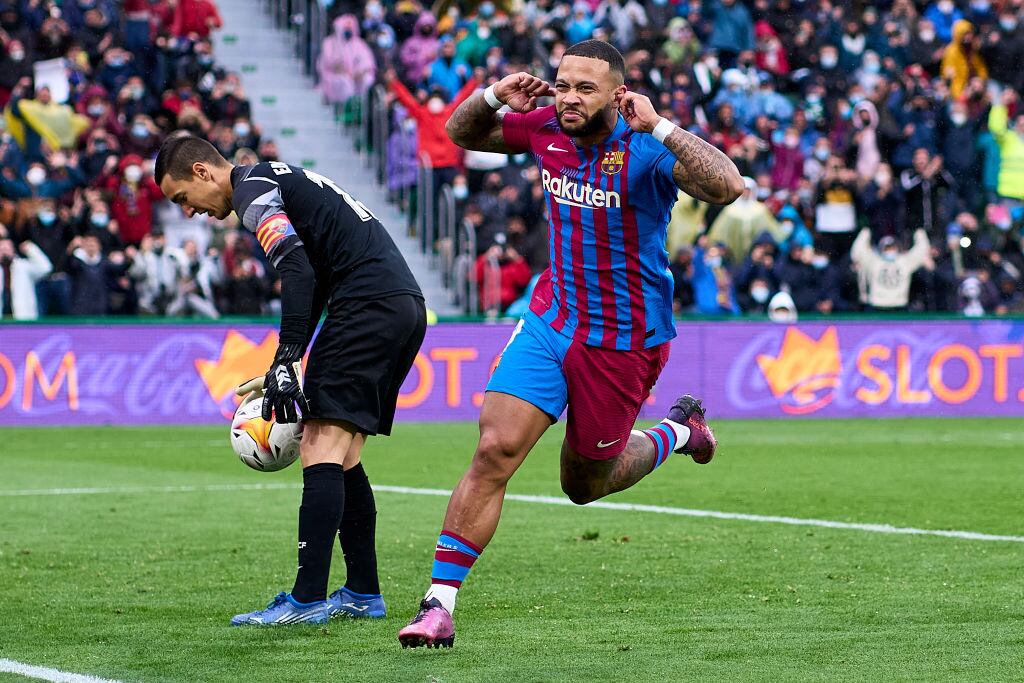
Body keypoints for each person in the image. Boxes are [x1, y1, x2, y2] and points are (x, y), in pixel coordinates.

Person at [397, 39, 743, 649]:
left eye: (586, 88)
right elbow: (460, 133)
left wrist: (660, 125)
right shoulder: (546, 129)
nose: (570, 99)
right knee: (494, 449)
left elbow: (727, 186)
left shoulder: (645, 147)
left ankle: (677, 432)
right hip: (551, 321)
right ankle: (438, 605)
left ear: (618, 93)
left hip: (623, 342)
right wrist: (493, 95)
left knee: (583, 485)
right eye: (563, 85)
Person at [154, 135, 426, 626]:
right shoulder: (275, 177)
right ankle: (363, 592)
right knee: (343, 453)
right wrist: (290, 358)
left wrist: (285, 357)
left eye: (182, 199)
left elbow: (295, 267)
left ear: (202, 172)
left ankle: (306, 600)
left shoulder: (251, 191)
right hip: (400, 305)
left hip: (367, 305)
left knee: (318, 445)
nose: (189, 212)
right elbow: (315, 273)